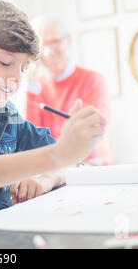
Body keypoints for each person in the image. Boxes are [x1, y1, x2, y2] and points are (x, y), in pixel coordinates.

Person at [0, 0, 107, 245]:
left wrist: (46, 178)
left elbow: (69, 161)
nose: (15, 78)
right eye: (5, 63)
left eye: (23, 69)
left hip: (10, 236)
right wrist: (58, 154)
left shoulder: (4, 113)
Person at [26, 17, 113, 166]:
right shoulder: (35, 86)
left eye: (54, 42)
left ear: (68, 41)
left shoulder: (92, 80)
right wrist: (30, 87)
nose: (47, 52)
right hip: (54, 167)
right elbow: (31, 142)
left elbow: (86, 138)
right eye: (41, 45)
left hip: (91, 166)